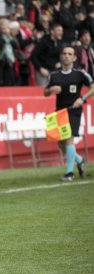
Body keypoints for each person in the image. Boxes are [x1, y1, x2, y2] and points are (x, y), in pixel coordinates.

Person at [44, 46, 94, 181]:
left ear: (74, 58)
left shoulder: (80, 73)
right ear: (61, 56)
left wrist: (82, 98)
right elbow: (45, 92)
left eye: (70, 54)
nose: (66, 56)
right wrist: (50, 90)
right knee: (60, 144)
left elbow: (93, 87)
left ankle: (69, 173)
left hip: (74, 110)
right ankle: (79, 160)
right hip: (59, 111)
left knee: (69, 139)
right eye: (64, 53)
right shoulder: (54, 75)